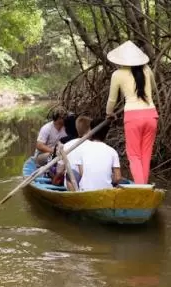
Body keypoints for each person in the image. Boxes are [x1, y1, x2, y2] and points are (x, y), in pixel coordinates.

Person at [104, 40, 158, 185]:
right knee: (145, 155)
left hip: (133, 117)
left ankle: (141, 188)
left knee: (134, 156)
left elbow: (112, 100)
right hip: (151, 115)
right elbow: (152, 88)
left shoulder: (117, 74)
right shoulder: (147, 70)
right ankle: (144, 186)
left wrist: (109, 113)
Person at [67, 116, 122, 191]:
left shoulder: (82, 148)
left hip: (85, 190)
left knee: (70, 174)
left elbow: (82, 173)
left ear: (91, 131)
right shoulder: (112, 151)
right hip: (107, 191)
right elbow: (118, 178)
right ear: (106, 133)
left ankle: (74, 197)